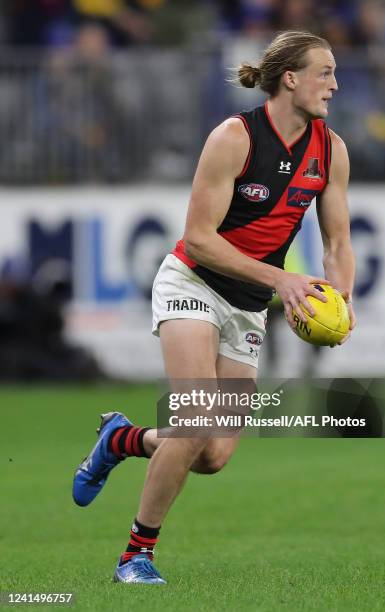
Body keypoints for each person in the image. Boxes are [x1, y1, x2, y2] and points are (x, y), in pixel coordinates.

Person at [73, 30, 356, 584]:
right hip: (193, 282)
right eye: (325, 71)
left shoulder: (332, 150)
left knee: (212, 453)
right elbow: (199, 239)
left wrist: (339, 297)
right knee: (196, 417)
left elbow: (337, 243)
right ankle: (136, 555)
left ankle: (122, 439)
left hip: (248, 304)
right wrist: (284, 279)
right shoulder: (234, 137)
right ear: (291, 78)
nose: (335, 83)